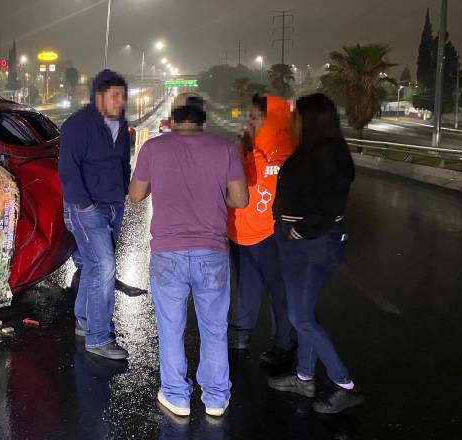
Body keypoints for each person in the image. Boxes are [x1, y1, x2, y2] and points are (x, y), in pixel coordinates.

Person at [129, 93, 248, 417]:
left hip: (168, 254)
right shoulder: (224, 148)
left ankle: (177, 396)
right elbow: (240, 200)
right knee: (214, 328)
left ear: (172, 120)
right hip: (212, 252)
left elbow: (136, 196)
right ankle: (215, 398)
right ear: (203, 121)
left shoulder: (153, 148)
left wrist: (164, 182)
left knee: (171, 327)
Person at [267, 93, 365, 414]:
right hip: (299, 242)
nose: (292, 121)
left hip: (310, 246)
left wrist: (301, 231)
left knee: (301, 317)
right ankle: (304, 378)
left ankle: (343, 384)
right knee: (304, 314)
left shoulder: (329, 155)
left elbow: (331, 205)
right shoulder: (313, 150)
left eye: (297, 116)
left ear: (311, 119)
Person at [58, 69, 131, 361]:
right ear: (97, 96)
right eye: (114, 95)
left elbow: (123, 161)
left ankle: (85, 320)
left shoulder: (120, 124)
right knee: (104, 267)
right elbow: (68, 170)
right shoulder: (77, 125)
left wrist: (123, 190)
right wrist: (85, 206)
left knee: (92, 265)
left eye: (123, 96)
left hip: (114, 203)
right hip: (86, 208)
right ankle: (99, 337)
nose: (120, 101)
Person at [227, 94, 297, 366]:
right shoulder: (250, 149)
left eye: (255, 118)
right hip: (241, 232)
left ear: (273, 120)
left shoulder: (287, 153)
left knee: (278, 290)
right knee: (247, 285)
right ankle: (241, 334)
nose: (249, 122)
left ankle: (284, 342)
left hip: (270, 234)